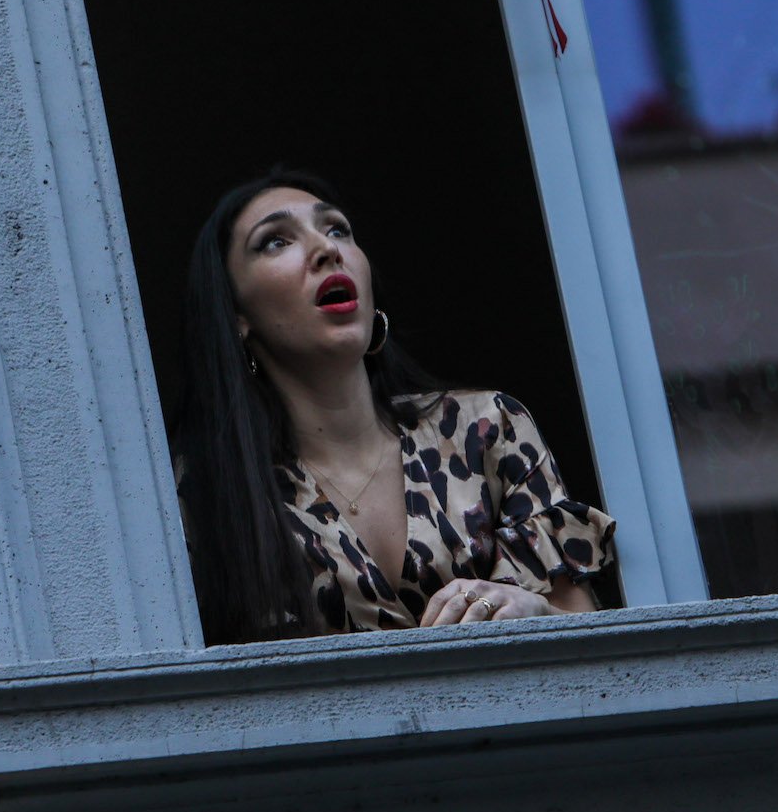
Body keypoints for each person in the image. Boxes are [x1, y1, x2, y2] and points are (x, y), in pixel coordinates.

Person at [176, 169, 617, 644]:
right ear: (237, 316)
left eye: (336, 229)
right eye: (276, 242)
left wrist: (534, 611)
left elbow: (590, 652)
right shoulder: (207, 487)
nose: (327, 249)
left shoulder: (486, 428)